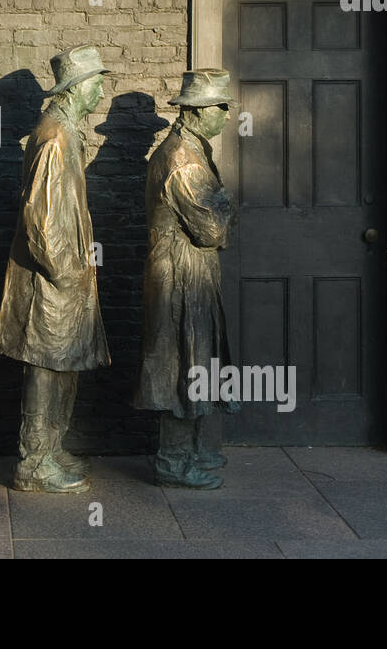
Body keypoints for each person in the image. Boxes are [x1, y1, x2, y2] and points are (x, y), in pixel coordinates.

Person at [0, 45, 111, 493]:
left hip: (66, 274)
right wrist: (65, 273)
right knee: (45, 366)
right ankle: (34, 461)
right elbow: (39, 217)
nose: (100, 91)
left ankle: (51, 446)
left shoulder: (64, 131)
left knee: (63, 364)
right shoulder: (55, 136)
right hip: (52, 277)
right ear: (77, 88)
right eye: (96, 82)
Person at [134, 68, 239, 490]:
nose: (228, 115)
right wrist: (226, 203)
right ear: (196, 113)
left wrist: (221, 205)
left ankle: (193, 449)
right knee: (181, 363)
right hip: (180, 277)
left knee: (197, 360)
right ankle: (173, 461)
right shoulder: (182, 159)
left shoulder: (195, 149)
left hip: (193, 273)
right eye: (221, 106)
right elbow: (211, 229)